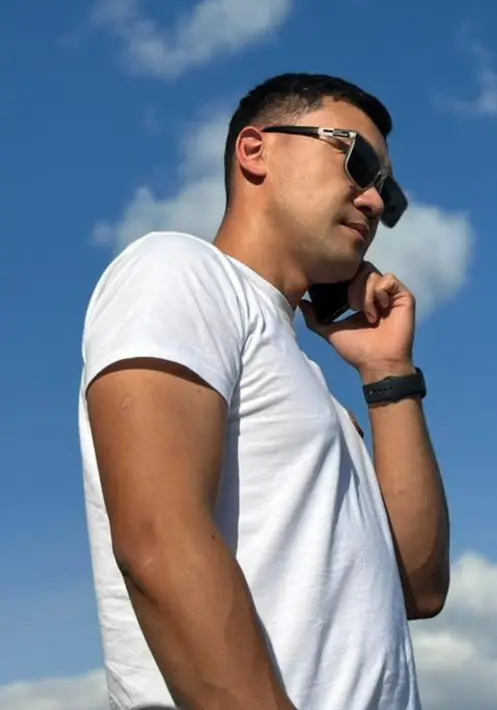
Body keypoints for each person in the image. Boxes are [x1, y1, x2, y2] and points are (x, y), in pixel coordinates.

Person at [78, 72, 451, 710]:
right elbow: (158, 538)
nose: (374, 201)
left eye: (388, 192)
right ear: (255, 151)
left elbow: (419, 589)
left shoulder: (316, 392)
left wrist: (388, 372)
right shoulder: (179, 271)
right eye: (358, 163)